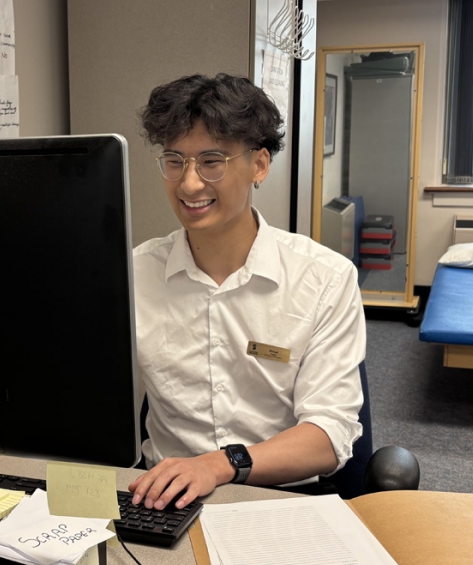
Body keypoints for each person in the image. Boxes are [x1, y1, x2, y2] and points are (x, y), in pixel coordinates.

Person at [128, 73, 366, 512]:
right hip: (164, 501)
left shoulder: (324, 279)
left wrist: (219, 465)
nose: (189, 184)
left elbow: (329, 434)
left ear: (259, 165)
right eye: (175, 161)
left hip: (283, 497)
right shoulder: (135, 274)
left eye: (212, 161)